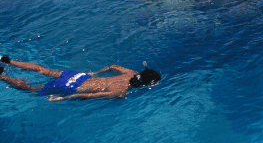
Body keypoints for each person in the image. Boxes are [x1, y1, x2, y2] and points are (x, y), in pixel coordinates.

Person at [0, 55, 160, 101]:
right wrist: (63, 98)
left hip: (77, 76)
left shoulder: (131, 72)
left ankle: (9, 61)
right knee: (31, 89)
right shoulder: (120, 91)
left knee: (45, 71)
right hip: (72, 87)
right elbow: (88, 95)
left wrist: (95, 74)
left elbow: (113, 66)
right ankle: (2, 76)